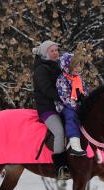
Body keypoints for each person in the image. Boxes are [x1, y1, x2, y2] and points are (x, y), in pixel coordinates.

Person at [32, 40, 71, 180]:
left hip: (61, 106)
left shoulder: (59, 67)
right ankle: (61, 167)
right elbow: (47, 89)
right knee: (59, 131)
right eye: (52, 51)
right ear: (45, 53)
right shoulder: (41, 69)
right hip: (47, 109)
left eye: (56, 50)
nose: (55, 53)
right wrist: (64, 98)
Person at [55, 52, 88, 156]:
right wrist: (77, 107)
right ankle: (75, 145)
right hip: (65, 106)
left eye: (80, 66)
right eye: (76, 66)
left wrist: (86, 100)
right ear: (68, 66)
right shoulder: (62, 79)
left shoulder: (78, 79)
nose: (78, 69)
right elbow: (65, 98)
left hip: (78, 105)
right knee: (71, 116)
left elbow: (85, 91)